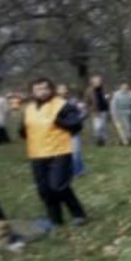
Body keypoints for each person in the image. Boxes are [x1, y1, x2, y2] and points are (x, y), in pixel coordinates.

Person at [21, 77, 88, 230]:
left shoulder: (61, 105)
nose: (42, 92)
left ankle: (78, 214)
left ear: (51, 89)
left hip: (59, 151)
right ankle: (55, 219)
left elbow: (76, 124)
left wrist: (61, 122)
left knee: (58, 186)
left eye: (45, 88)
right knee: (44, 189)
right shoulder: (29, 108)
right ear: (32, 91)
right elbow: (24, 129)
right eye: (38, 89)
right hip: (37, 153)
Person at [56, 84, 87, 177]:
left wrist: (78, 119)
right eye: (61, 89)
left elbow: (84, 112)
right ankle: (76, 170)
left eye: (64, 89)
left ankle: (78, 171)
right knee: (65, 153)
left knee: (76, 152)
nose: (63, 91)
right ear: (57, 91)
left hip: (74, 130)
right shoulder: (54, 103)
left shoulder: (73, 101)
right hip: (61, 131)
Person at [110, 81, 131, 146]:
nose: (125, 87)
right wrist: (114, 115)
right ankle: (127, 140)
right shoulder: (116, 95)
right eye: (123, 86)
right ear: (120, 87)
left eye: (126, 86)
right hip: (120, 113)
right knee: (124, 127)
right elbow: (113, 106)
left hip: (130, 113)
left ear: (128, 87)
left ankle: (128, 139)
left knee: (130, 127)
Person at [84, 75, 111, 146]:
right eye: (95, 81)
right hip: (95, 112)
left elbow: (109, 96)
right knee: (97, 127)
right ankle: (98, 140)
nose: (97, 83)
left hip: (104, 110)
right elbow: (86, 102)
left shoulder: (104, 89)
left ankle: (104, 141)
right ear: (92, 82)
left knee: (103, 126)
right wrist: (90, 109)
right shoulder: (89, 91)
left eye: (99, 81)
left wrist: (108, 98)